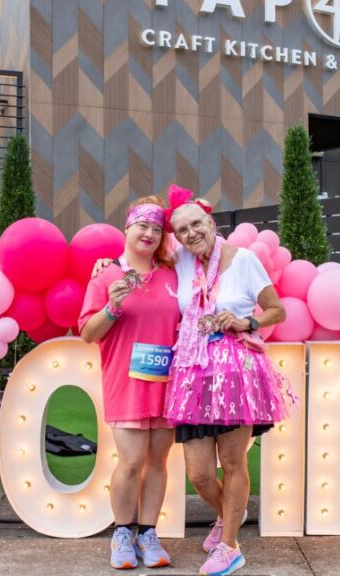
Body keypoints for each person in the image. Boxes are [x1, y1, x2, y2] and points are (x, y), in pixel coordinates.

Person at [164, 185, 296, 576]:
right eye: (182, 229)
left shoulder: (245, 260)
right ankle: (228, 517)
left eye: (196, 224)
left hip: (236, 373)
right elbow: (138, 261)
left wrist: (246, 322)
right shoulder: (182, 262)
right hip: (192, 374)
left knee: (233, 462)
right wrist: (107, 265)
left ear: (211, 222)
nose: (190, 234)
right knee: (200, 473)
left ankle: (229, 546)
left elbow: (277, 310)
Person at [79, 196, 181, 570]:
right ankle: (122, 533)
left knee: (159, 460)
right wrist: (111, 307)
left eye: (157, 228)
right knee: (132, 460)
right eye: (143, 225)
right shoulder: (106, 275)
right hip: (125, 381)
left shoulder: (174, 274)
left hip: (168, 382)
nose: (150, 233)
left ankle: (149, 534)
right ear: (127, 227)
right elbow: (88, 333)